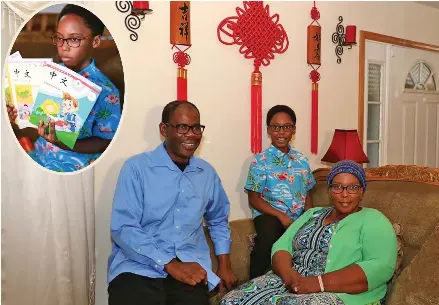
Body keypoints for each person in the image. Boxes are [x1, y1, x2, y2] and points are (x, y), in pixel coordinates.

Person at [107, 100, 238, 305]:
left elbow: (218, 219)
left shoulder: (207, 173)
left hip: (191, 270)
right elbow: (124, 228)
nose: (192, 134)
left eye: (196, 128)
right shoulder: (136, 168)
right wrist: (170, 264)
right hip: (137, 267)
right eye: (183, 127)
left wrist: (224, 264)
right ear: (164, 129)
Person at [221, 160, 398, 305]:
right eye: (337, 187)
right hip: (289, 280)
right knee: (231, 300)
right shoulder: (312, 213)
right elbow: (282, 245)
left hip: (341, 293)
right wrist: (288, 275)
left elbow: (380, 267)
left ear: (362, 191)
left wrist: (318, 283)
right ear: (329, 190)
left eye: (352, 188)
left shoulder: (374, 220)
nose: (344, 194)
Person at [6, 4, 121, 172]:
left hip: (74, 165)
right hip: (40, 155)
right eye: (59, 38)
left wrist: (60, 141)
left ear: (95, 41)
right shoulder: (49, 72)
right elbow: (34, 118)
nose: (63, 46)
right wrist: (15, 117)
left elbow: (105, 142)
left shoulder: (107, 91)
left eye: (74, 39)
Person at [245, 105, 316, 278]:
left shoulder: (301, 160)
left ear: (293, 129)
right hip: (269, 215)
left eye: (286, 127)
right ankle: (252, 285)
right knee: (269, 238)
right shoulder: (260, 161)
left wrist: (309, 217)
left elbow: (307, 192)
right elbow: (254, 199)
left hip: (297, 216)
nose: (281, 132)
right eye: (276, 127)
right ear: (269, 130)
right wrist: (282, 217)